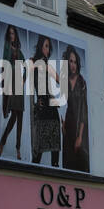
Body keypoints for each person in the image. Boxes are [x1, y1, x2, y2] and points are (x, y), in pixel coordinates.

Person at [29, 34, 62, 166]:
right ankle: (33, 174)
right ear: (40, 47)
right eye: (46, 46)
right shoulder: (33, 61)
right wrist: (35, 105)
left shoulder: (47, 64)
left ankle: (56, 170)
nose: (48, 50)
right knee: (40, 147)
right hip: (41, 105)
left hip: (51, 104)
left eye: (49, 47)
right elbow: (28, 82)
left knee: (55, 145)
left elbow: (59, 80)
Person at [0, 24, 26, 158]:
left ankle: (18, 148)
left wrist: (24, 79)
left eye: (13, 33)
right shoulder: (7, 47)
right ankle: (3, 141)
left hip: (19, 85)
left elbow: (26, 67)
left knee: (20, 117)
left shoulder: (20, 52)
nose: (11, 36)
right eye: (9, 33)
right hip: (12, 84)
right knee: (14, 116)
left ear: (16, 35)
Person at [61, 46, 89, 171]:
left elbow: (84, 110)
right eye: (70, 62)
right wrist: (63, 123)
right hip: (68, 127)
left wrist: (80, 137)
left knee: (80, 163)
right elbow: (66, 105)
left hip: (79, 129)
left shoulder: (82, 82)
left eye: (74, 62)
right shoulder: (65, 81)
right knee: (67, 163)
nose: (73, 65)